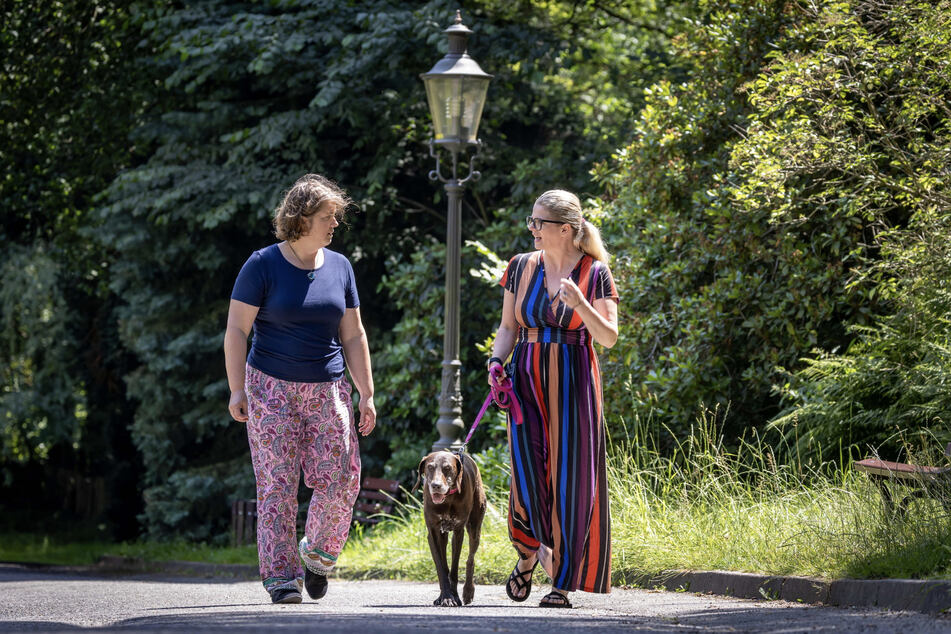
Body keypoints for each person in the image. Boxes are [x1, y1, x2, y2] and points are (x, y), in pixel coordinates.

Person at [224, 173, 376, 604]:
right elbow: (237, 329)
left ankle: (317, 554)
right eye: (328, 216)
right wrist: (238, 390)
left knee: (343, 476)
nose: (334, 224)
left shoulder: (341, 267)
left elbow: (354, 335)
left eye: (335, 216)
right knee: (277, 484)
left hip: (328, 388)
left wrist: (366, 392)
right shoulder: (262, 265)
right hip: (270, 387)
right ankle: (281, 578)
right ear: (301, 217)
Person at [488, 189, 619, 609]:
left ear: (565, 229)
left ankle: (561, 581)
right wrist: (495, 361)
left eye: (538, 223)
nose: (532, 229)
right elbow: (508, 327)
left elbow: (609, 338)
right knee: (526, 477)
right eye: (531, 221)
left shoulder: (595, 273)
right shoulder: (520, 267)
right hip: (524, 379)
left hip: (575, 379)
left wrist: (580, 302)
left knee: (571, 480)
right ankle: (528, 553)